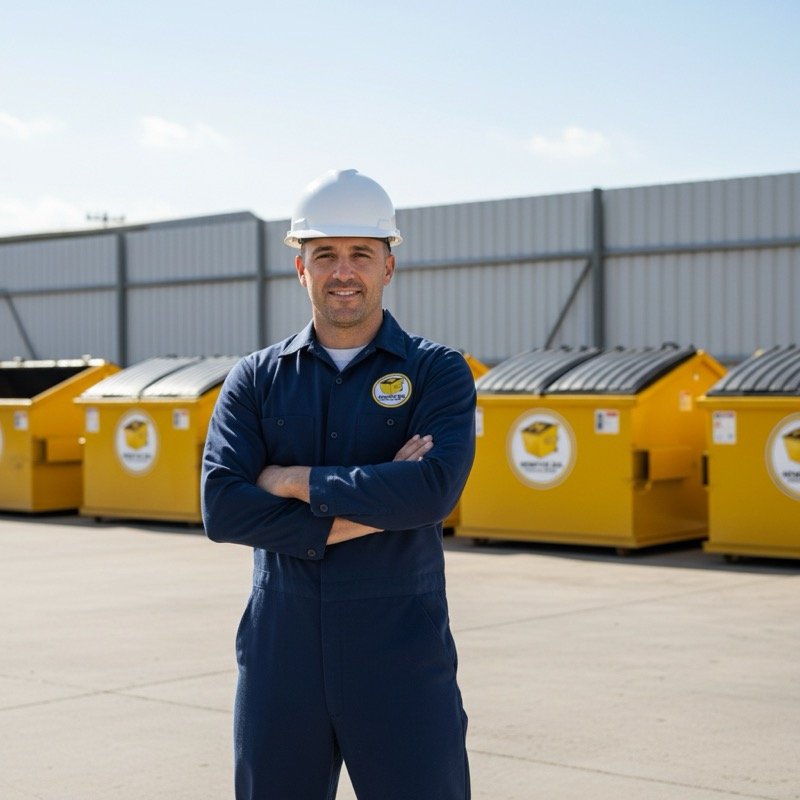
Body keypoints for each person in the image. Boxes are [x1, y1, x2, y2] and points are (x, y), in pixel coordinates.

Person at [201, 168, 476, 800]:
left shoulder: (438, 373)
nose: (343, 271)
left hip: (400, 655)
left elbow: (433, 491)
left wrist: (290, 479)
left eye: (361, 254)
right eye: (324, 254)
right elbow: (223, 510)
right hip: (281, 656)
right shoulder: (256, 379)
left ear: (389, 266)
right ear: (301, 268)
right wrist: (381, 500)